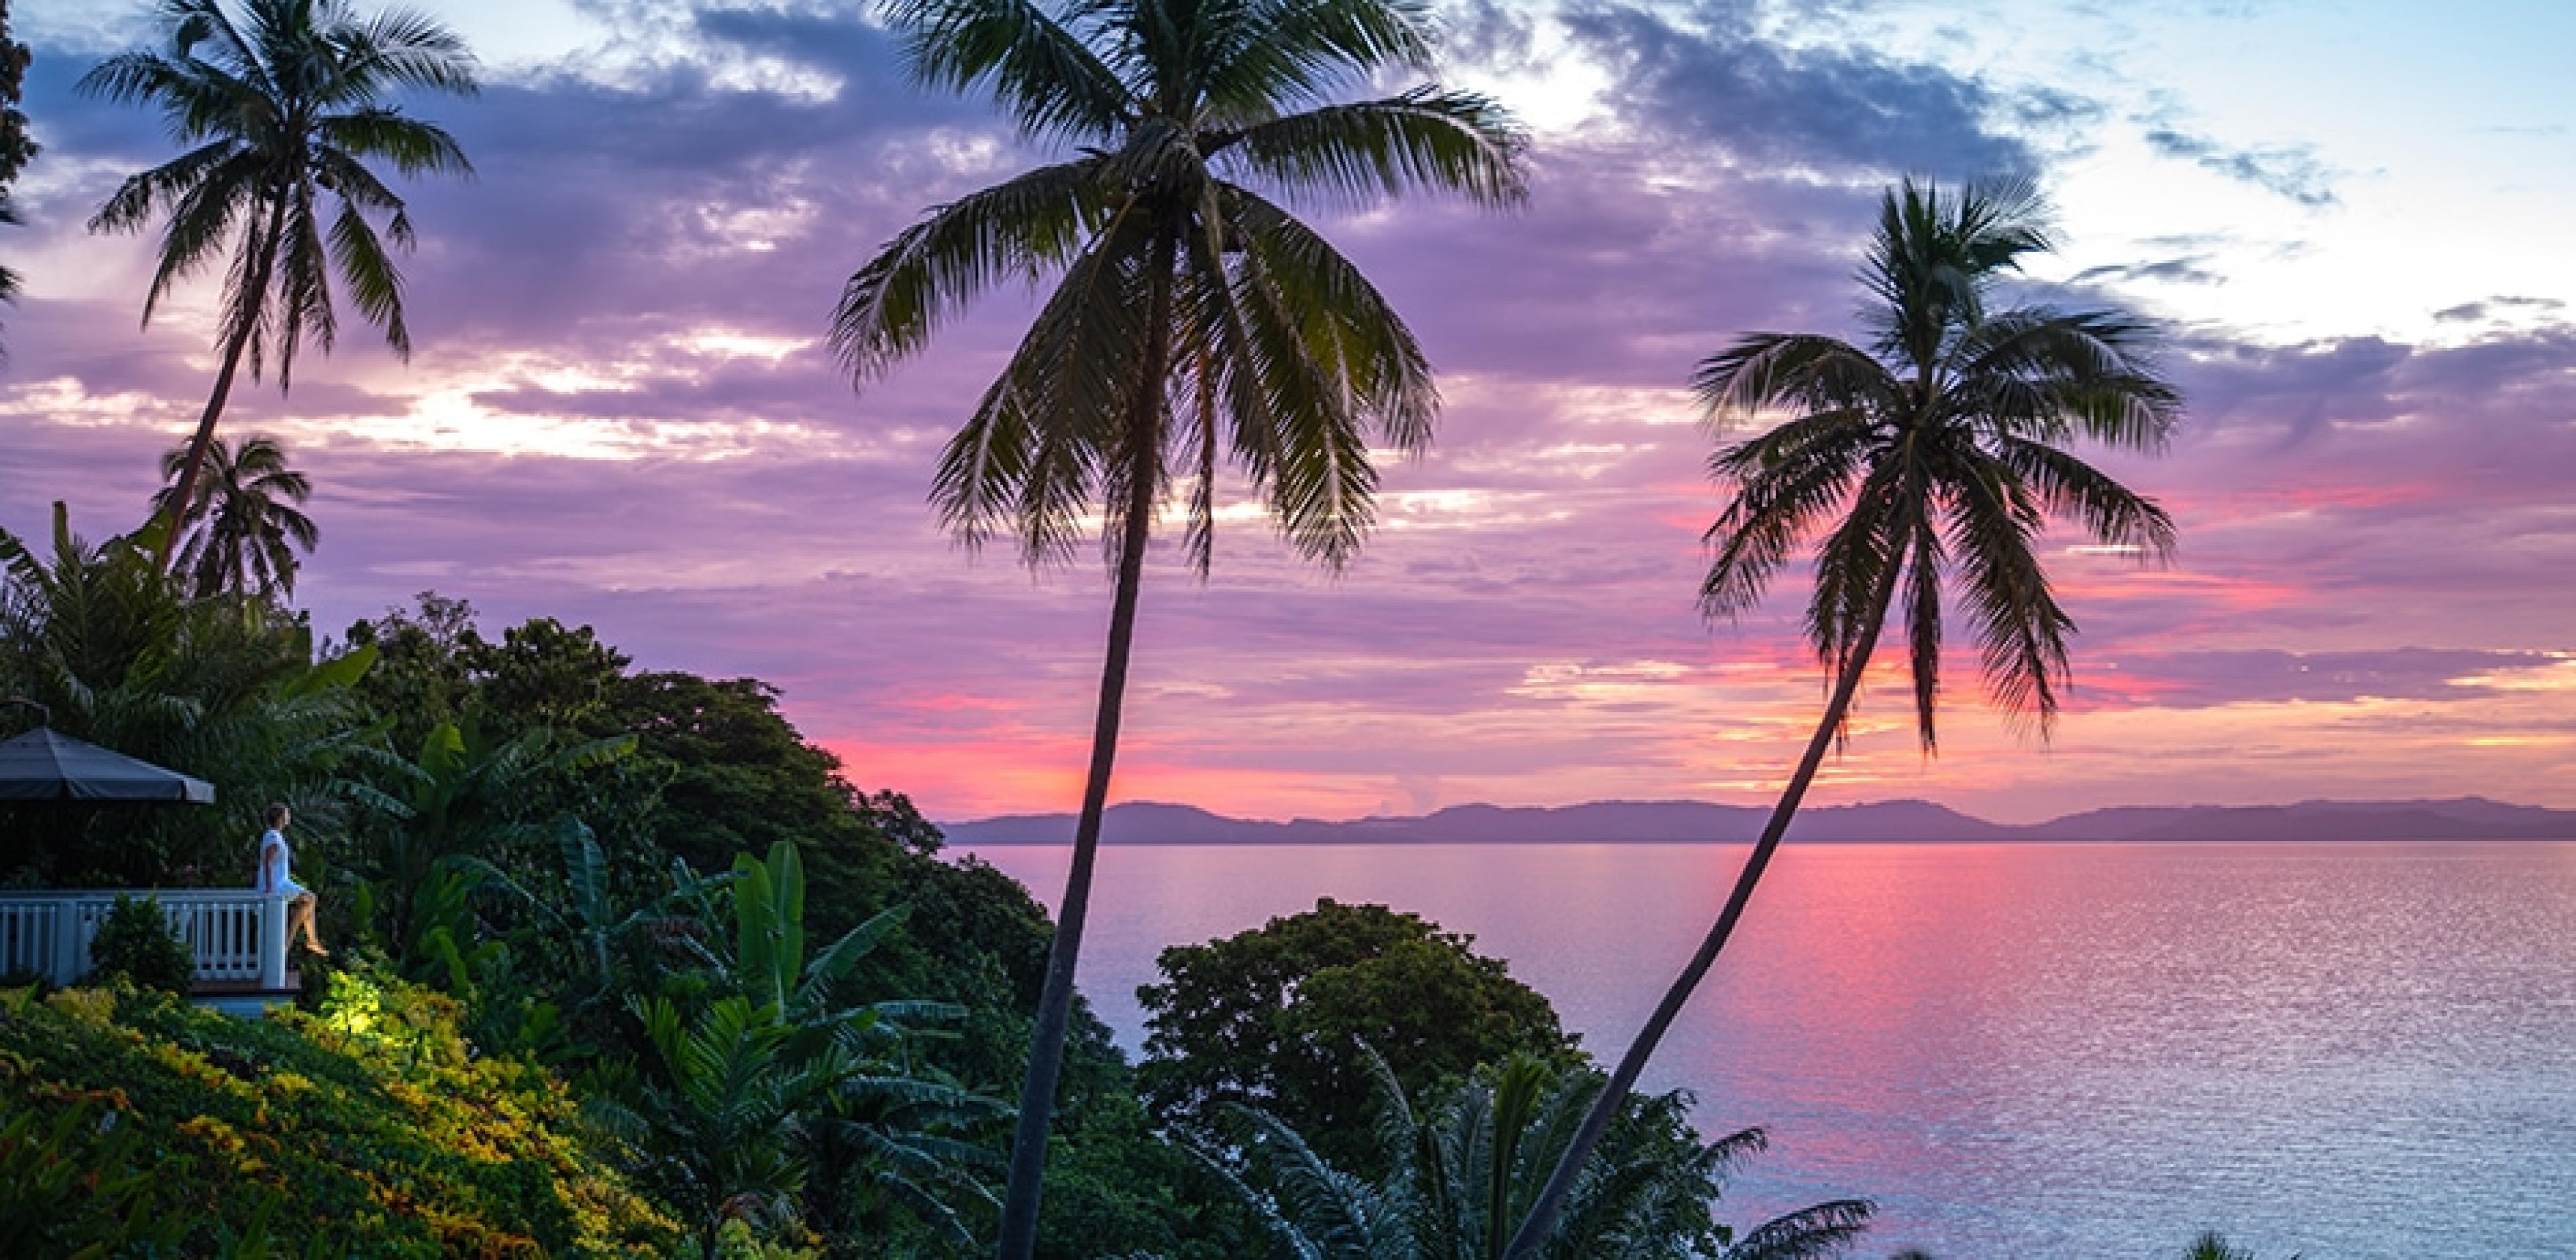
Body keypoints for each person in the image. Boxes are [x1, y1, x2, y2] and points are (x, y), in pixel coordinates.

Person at [256, 803, 326, 957]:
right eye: (287, 814)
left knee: (308, 901)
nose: (289, 817)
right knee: (310, 898)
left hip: (281, 881)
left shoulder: (276, 836)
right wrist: (269, 886)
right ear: (280, 817)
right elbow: (267, 861)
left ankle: (299, 942)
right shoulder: (273, 836)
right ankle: (301, 941)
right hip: (277, 884)